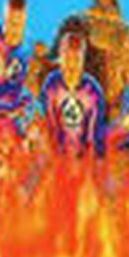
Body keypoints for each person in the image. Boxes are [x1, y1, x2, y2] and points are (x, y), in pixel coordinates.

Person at [39, 16, 107, 158]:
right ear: (60, 58)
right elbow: (49, 129)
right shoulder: (52, 86)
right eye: (67, 58)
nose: (71, 65)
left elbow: (93, 138)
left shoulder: (93, 92)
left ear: (83, 60)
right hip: (56, 160)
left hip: (85, 161)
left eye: (76, 59)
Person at [0, 0, 30, 139]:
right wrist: (6, 112)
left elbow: (26, 88)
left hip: (14, 132)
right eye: (11, 24)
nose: (15, 30)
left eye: (19, 25)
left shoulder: (27, 46)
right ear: (4, 18)